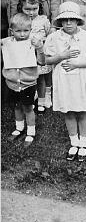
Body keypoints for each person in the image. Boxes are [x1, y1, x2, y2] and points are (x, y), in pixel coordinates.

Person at [43, 1, 86, 161]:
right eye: (65, 20)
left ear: (77, 21)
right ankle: (74, 142)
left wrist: (76, 64)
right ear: (60, 21)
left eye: (72, 20)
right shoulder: (54, 38)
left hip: (81, 80)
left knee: (82, 111)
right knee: (68, 111)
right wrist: (62, 56)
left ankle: (83, 143)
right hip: (63, 81)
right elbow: (47, 60)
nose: (68, 23)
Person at [2, 13, 39, 146]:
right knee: (16, 106)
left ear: (30, 30)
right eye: (18, 31)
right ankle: (19, 128)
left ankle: (30, 131)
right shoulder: (7, 42)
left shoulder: (33, 42)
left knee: (28, 107)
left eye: (26, 31)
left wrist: (39, 47)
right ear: (11, 31)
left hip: (27, 83)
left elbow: (41, 59)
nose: (22, 34)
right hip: (12, 83)